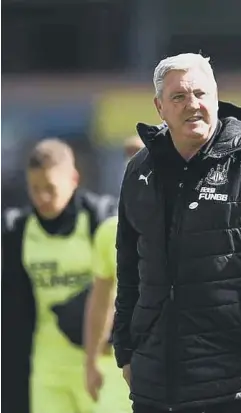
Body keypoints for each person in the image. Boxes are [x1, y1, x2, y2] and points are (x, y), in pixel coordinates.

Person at [113, 53, 241, 413]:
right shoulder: (139, 170)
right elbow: (130, 266)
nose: (192, 105)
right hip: (155, 384)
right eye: (179, 97)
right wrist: (126, 349)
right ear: (160, 107)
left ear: (216, 98)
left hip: (237, 381)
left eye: (201, 94)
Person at [1, 138, 117, 413]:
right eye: (35, 189)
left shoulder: (100, 220)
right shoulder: (17, 231)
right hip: (47, 368)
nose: (42, 198)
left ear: (74, 179)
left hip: (101, 365)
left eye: (50, 189)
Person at [84, 136, 145, 412]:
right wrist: (91, 361)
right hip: (122, 363)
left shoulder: (192, 227)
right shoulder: (110, 231)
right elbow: (101, 302)